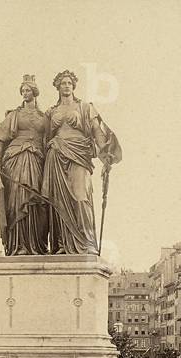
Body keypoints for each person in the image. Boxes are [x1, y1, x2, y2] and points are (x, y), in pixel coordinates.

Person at [42, 70, 121, 255]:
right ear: (57, 87)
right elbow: (42, 135)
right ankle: (62, 244)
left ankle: (86, 242)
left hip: (78, 154)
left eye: (69, 83)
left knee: (80, 196)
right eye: (63, 83)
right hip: (56, 154)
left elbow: (97, 131)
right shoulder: (51, 111)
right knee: (58, 201)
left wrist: (105, 153)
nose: (66, 86)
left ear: (74, 86)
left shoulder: (85, 107)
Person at [0, 74, 50, 255]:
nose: (25, 93)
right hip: (16, 160)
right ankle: (20, 245)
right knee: (18, 200)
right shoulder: (13, 116)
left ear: (35, 92)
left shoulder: (45, 117)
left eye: (28, 90)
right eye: (22, 90)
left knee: (37, 201)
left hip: (37, 160)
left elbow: (50, 141)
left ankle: (37, 244)